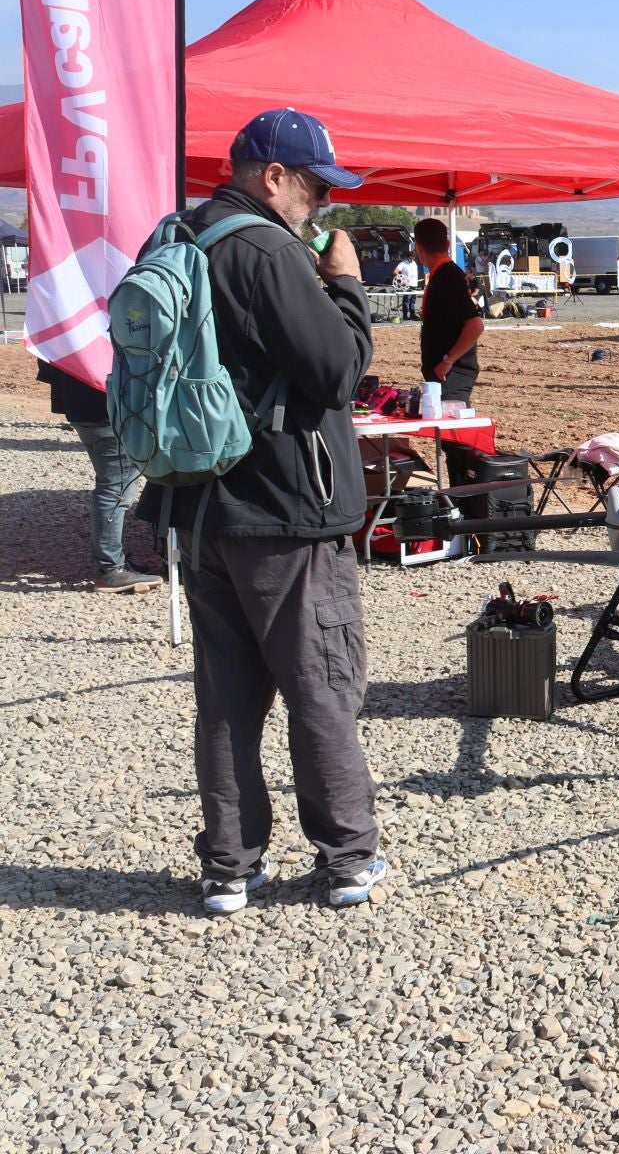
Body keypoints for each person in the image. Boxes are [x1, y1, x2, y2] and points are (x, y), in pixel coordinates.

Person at [135, 107, 386, 912]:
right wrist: (345, 285)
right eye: (313, 187)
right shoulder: (267, 248)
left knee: (228, 696)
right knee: (320, 682)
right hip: (283, 508)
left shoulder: (176, 235)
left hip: (197, 502)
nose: (319, 205)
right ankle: (347, 858)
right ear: (271, 177)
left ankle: (230, 867)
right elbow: (338, 372)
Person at [36, 360, 161, 593]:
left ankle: (112, 563)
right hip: (110, 410)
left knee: (111, 486)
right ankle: (110, 569)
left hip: (81, 408)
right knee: (115, 492)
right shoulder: (108, 325)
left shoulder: (75, 324)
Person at [416, 217, 483, 408]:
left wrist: (448, 360)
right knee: (445, 434)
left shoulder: (447, 277)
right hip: (445, 373)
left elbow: (475, 325)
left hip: (451, 374)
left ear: (418, 247)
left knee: (452, 434)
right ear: (447, 244)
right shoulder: (445, 274)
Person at [390, 252, 421, 321]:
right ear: (407, 257)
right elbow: (395, 271)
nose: (412, 259)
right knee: (406, 300)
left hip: (414, 284)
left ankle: (412, 314)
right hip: (407, 285)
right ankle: (405, 315)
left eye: (413, 258)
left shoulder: (414, 263)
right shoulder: (403, 263)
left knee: (413, 300)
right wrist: (402, 279)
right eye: (410, 258)